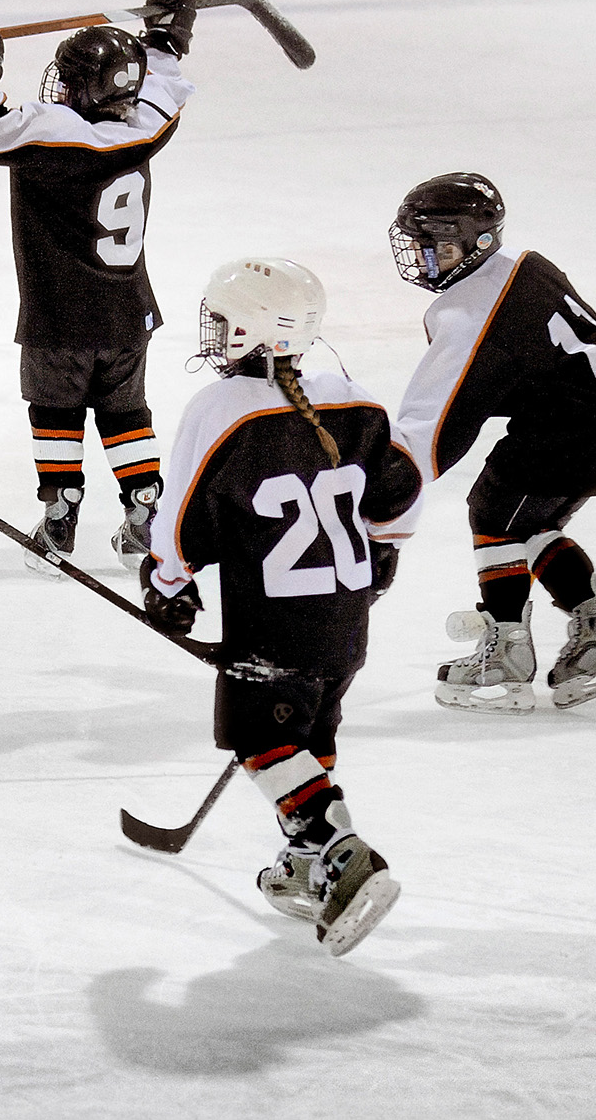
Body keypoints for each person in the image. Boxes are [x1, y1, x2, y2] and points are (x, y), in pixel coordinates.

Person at [140, 258, 423, 955]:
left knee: (261, 741)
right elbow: (399, 490)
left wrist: (167, 584)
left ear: (248, 331)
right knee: (305, 737)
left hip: (272, 622)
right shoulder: (353, 397)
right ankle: (303, 869)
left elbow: (182, 522)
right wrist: (382, 550)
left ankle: (343, 852)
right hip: (346, 615)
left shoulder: (221, 410)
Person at [0, 0, 198, 574]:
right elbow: (164, 85)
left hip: (59, 314)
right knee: (127, 413)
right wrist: (167, 38)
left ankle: (60, 514)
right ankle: (144, 509)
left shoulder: (51, 134)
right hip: (128, 312)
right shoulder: (144, 126)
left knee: (55, 411)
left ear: (81, 89)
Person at [389, 172, 596, 714]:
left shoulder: (470, 310)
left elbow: (437, 423)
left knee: (496, 510)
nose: (424, 257)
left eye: (435, 244)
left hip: (568, 429)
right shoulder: (523, 265)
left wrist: (385, 476)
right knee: (525, 522)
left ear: (476, 240)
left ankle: (508, 652)